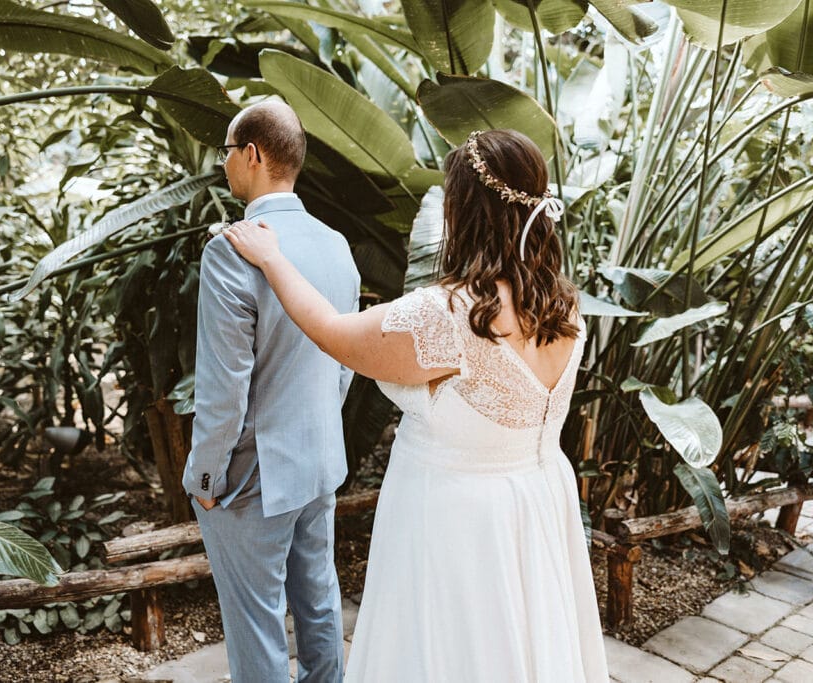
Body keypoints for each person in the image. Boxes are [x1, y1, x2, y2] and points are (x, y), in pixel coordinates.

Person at [223, 128, 610, 682]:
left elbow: (333, 332)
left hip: (457, 523)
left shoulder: (448, 315)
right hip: (539, 500)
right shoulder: (563, 305)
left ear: (463, 211)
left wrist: (273, 259)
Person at [181, 100, 361, 683]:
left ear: (252, 155)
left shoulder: (230, 249)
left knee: (256, 623)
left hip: (251, 474)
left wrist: (205, 477)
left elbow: (223, 387)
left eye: (228, 152)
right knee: (318, 604)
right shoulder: (336, 245)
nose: (225, 163)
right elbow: (344, 360)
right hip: (319, 459)